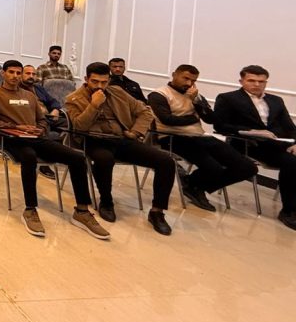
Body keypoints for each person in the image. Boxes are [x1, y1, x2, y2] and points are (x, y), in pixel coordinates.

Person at [0, 60, 108, 240]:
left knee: (77, 158)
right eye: (11, 72)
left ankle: (82, 210)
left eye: (18, 73)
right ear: (3, 74)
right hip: (10, 140)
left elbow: (41, 120)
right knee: (29, 156)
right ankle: (30, 209)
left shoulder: (29, 95)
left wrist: (40, 129)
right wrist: (16, 127)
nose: (15, 76)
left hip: (35, 138)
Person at [64, 62, 176, 235]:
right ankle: (106, 201)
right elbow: (79, 127)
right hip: (93, 140)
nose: (100, 86)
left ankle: (157, 212)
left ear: (109, 80)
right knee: (104, 159)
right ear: (86, 79)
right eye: (95, 81)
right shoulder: (74, 98)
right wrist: (94, 105)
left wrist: (135, 132)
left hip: (122, 139)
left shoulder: (117, 92)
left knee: (166, 161)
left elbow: (145, 112)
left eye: (104, 82)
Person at [148, 64, 257, 211]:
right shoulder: (159, 94)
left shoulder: (195, 96)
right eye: (185, 78)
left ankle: (192, 184)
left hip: (199, 136)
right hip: (172, 138)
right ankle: (195, 187)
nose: (189, 83)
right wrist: (193, 118)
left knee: (248, 168)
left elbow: (211, 119)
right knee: (214, 168)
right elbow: (168, 120)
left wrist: (197, 102)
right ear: (174, 75)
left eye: (193, 80)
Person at [214, 65, 296, 231]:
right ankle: (289, 211)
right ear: (241, 81)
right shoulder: (228, 98)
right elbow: (220, 126)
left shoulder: (276, 100)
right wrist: (251, 131)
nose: (257, 84)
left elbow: (290, 127)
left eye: (261, 81)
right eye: (251, 80)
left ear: (266, 82)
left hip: (278, 144)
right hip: (248, 144)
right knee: (292, 163)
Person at [22, 64, 65, 178]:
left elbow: (53, 101)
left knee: (71, 124)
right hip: (35, 118)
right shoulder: (17, 89)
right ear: (21, 74)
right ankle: (44, 164)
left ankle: (74, 156)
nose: (31, 76)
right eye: (28, 73)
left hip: (50, 116)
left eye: (33, 74)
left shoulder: (38, 88)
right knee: (44, 127)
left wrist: (55, 109)